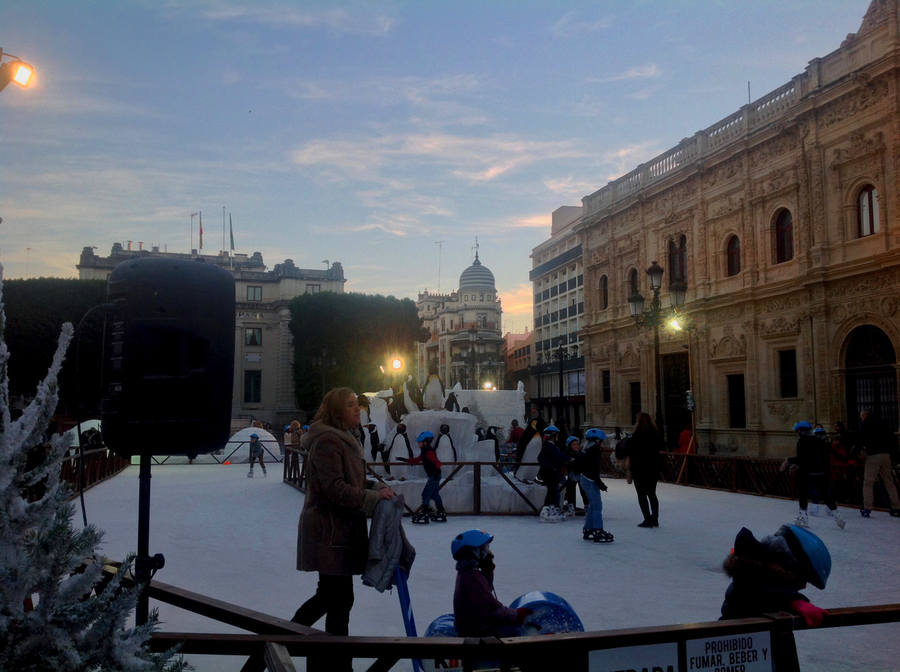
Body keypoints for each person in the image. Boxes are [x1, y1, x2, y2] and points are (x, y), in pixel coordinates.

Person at [292, 387, 395, 661]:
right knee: (334, 599)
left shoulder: (344, 438)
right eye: (350, 405)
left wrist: (375, 486)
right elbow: (334, 488)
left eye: (356, 404)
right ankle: (285, 640)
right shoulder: (328, 441)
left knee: (334, 598)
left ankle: (318, 655)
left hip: (339, 531)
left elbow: (353, 482)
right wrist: (373, 497)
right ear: (337, 412)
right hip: (330, 531)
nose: (356, 409)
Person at [720, 524, 831, 630]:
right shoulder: (748, 579)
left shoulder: (759, 576)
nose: (803, 587)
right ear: (786, 568)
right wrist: (794, 601)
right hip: (732, 641)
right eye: (803, 578)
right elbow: (762, 593)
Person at [452, 529, 532, 638]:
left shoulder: (467, 573)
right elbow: (493, 609)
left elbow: (484, 594)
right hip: (479, 634)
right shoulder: (472, 578)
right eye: (485, 548)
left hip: (474, 628)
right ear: (474, 551)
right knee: (527, 630)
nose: (488, 552)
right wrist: (518, 615)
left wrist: (487, 570)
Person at [780, 421, 845, 529]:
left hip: (807, 473)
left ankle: (803, 517)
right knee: (824, 494)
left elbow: (802, 459)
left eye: (797, 431)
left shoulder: (802, 442)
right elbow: (824, 457)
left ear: (800, 431)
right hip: (821, 472)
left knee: (803, 493)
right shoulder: (819, 440)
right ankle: (837, 515)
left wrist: (788, 460)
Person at [857, 408, 900, 518]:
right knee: (889, 482)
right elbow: (892, 438)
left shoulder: (866, 424)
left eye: (861, 416)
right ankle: (896, 506)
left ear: (864, 415)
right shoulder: (883, 422)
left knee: (868, 482)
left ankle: (867, 507)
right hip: (886, 455)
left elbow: (860, 439)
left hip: (873, 455)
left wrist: (857, 452)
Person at [573, 429, 613, 543]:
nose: (602, 443)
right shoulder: (594, 450)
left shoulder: (586, 448)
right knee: (597, 506)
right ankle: (597, 530)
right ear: (597, 440)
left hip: (585, 478)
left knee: (592, 506)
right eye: (601, 441)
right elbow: (594, 469)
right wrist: (600, 484)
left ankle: (588, 529)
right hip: (590, 480)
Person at [405, 430, 447, 524]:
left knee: (425, 494)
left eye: (419, 442)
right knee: (435, 495)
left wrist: (435, 471)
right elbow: (417, 460)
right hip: (434, 476)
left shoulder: (429, 452)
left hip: (434, 476)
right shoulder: (425, 451)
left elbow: (437, 462)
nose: (418, 444)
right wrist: (406, 460)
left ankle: (425, 513)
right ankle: (441, 511)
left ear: (425, 442)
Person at [629, 412, 663, 528]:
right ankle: (655, 518)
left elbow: (631, 451)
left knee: (641, 494)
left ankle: (647, 519)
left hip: (639, 468)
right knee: (652, 493)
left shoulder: (636, 436)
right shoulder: (655, 434)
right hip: (653, 468)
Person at [537, 425, 568, 521]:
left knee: (553, 490)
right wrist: (568, 458)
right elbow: (558, 456)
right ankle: (545, 511)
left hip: (549, 471)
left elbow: (540, 458)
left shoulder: (548, 446)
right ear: (553, 436)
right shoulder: (549, 446)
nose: (558, 437)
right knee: (551, 491)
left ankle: (551, 510)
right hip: (550, 472)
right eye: (557, 435)